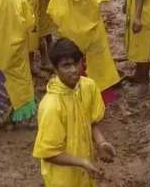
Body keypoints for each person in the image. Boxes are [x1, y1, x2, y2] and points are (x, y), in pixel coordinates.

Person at [32, 38, 116, 187]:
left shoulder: (88, 86)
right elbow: (49, 153)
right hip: (63, 179)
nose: (74, 70)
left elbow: (92, 121)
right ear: (55, 69)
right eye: (66, 66)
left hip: (84, 171)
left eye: (77, 63)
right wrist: (82, 162)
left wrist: (101, 142)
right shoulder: (51, 106)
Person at [48, 0, 120, 106]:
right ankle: (100, 95)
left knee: (74, 65)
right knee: (97, 65)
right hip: (93, 35)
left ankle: (77, 94)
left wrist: (66, 26)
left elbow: (53, 13)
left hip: (71, 36)